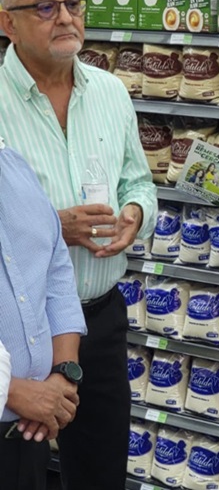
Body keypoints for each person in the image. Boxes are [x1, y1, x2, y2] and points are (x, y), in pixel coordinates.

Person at [0, 0, 157, 490]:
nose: (65, 17)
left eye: (72, 2)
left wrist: (135, 215)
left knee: (101, 470)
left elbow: (138, 180)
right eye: (44, 7)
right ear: (8, 24)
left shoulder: (110, 92)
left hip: (100, 318)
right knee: (18, 472)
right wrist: (51, 227)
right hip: (15, 342)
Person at [0, 142, 87, 490]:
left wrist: (64, 375)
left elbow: (55, 269)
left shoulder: (13, 166)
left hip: (28, 431)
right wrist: (11, 392)